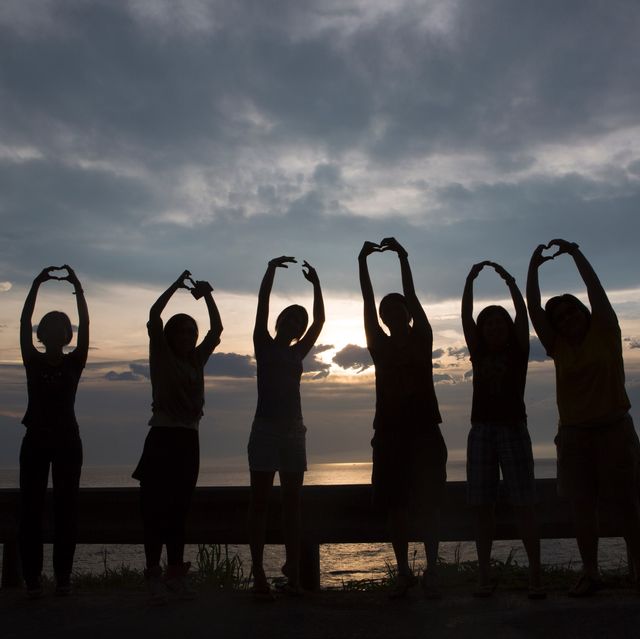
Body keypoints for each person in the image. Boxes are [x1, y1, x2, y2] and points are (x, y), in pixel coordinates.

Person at [527, 239, 640, 596]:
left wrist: (575, 253)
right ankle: (591, 573)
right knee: (582, 508)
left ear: (584, 312)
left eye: (572, 311)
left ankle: (639, 570)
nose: (567, 318)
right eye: (560, 317)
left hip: (614, 431)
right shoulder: (557, 346)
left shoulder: (605, 333)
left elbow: (596, 290)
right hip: (574, 437)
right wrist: (533, 265)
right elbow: (533, 307)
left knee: (626, 506)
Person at [358, 237, 447, 599]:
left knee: (429, 503)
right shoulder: (377, 342)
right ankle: (404, 572)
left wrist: (403, 256)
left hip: (424, 430)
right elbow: (366, 299)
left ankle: (433, 569)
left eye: (399, 309)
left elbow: (411, 292)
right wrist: (362, 261)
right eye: (388, 311)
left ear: (408, 313)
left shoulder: (422, 336)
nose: (393, 313)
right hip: (390, 433)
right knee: (395, 506)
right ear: (383, 319)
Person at [132, 270, 222, 605]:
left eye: (190, 330)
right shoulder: (161, 355)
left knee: (179, 511)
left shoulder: (198, 359)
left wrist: (206, 294)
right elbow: (155, 315)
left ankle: (174, 575)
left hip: (188, 441)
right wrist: (176, 284)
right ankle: (153, 574)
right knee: (154, 510)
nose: (187, 334)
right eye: (181, 330)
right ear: (170, 335)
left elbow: (217, 330)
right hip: (161, 439)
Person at [462, 260, 543, 598]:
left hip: (512, 429)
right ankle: (484, 574)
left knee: (524, 503)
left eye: (500, 322)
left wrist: (510, 283)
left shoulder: (519, 351)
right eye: (489, 322)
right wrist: (470, 281)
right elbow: (466, 318)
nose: (495, 326)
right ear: (481, 331)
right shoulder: (477, 351)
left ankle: (535, 576)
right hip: (481, 431)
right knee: (482, 506)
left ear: (508, 328)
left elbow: (522, 315)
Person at [247, 256, 325, 599]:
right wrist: (270, 271)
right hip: (264, 430)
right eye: (291, 316)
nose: (296, 321)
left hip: (294, 431)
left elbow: (320, 319)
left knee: (292, 503)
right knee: (260, 502)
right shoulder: (263, 344)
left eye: (300, 319)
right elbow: (262, 304)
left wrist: (316, 284)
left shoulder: (299, 352)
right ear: (280, 321)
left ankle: (292, 573)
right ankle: (259, 574)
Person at [19, 265, 89, 598]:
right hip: (35, 440)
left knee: (66, 508)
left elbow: (86, 324)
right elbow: (22, 322)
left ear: (67, 335)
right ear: (41, 334)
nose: (55, 329)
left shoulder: (75, 362)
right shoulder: (32, 360)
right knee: (30, 509)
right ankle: (32, 580)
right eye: (48, 325)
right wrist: (36, 284)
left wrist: (77, 288)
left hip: (67, 441)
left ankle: (63, 578)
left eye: (61, 325)